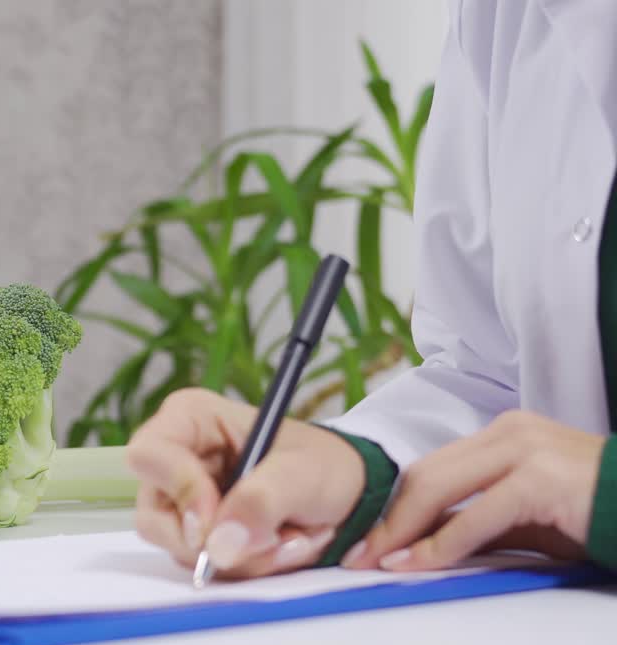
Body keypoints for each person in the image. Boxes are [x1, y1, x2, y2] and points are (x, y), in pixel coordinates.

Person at [126, 0, 617, 579]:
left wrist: (603, 492)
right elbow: (490, 376)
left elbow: (578, 473)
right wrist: (359, 467)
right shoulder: (507, 13)